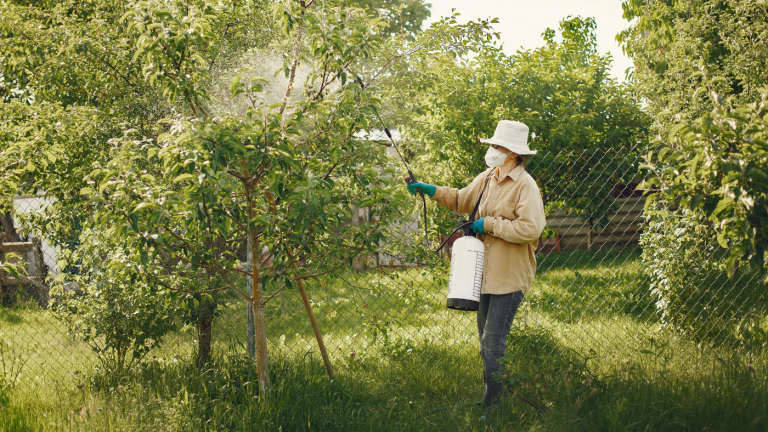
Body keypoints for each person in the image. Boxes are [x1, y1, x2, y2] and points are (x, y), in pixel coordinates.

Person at [405, 120, 546, 408]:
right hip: (484, 275)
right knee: (485, 343)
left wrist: (490, 224)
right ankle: (492, 401)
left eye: (497, 145)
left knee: (493, 346)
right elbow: (460, 199)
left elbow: (531, 229)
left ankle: (496, 407)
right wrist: (429, 190)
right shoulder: (487, 177)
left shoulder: (525, 186)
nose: (492, 149)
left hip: (509, 278)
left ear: (513, 153)